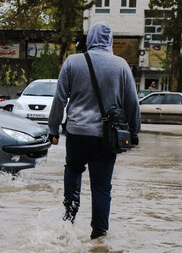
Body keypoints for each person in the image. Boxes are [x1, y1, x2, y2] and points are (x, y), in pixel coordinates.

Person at [48, 22, 141, 240]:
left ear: (89, 39)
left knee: (73, 171)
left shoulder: (72, 62)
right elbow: (132, 103)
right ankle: (99, 237)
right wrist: (134, 133)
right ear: (109, 41)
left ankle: (68, 222)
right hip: (106, 137)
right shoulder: (121, 65)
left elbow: (59, 99)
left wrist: (53, 129)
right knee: (101, 187)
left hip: (77, 133)